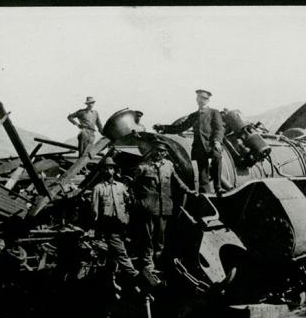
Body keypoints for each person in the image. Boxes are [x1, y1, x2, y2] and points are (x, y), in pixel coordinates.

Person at [133, 142, 196, 271]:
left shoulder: (168, 165)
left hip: (164, 206)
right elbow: (133, 186)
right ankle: (148, 263)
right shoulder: (143, 166)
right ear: (153, 151)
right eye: (157, 150)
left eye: (162, 151)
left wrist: (188, 190)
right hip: (148, 207)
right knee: (147, 237)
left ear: (166, 153)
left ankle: (159, 261)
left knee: (160, 237)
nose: (159, 153)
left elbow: (177, 180)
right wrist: (138, 202)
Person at [153, 89, 225, 194]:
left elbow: (219, 129)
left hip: (211, 144)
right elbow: (180, 127)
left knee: (217, 158)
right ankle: (204, 192)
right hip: (199, 147)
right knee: (203, 171)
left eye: (204, 99)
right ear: (197, 100)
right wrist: (163, 128)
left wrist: (217, 141)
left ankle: (218, 187)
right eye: (199, 98)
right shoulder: (194, 115)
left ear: (208, 101)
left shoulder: (214, 112)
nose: (201, 101)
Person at [92, 157, 139, 285]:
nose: (109, 171)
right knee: (121, 251)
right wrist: (97, 229)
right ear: (102, 171)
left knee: (113, 254)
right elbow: (95, 211)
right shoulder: (98, 188)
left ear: (115, 170)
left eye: (111, 168)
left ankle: (109, 278)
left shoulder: (121, 186)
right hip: (108, 224)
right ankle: (134, 275)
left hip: (122, 224)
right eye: (106, 168)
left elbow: (129, 202)